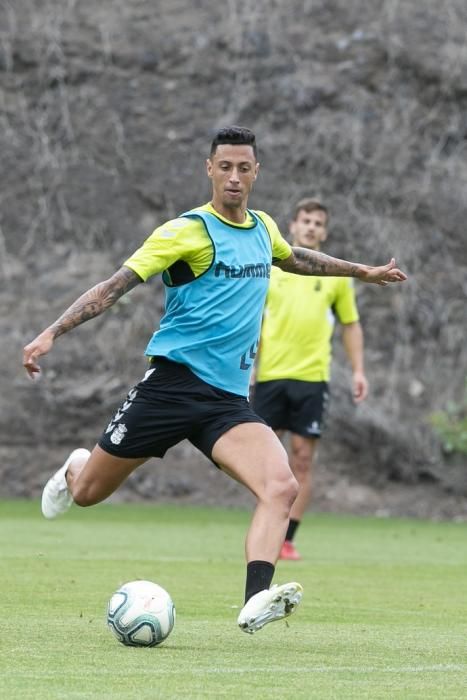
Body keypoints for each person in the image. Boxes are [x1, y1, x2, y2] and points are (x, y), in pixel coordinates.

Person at [23, 126, 407, 634]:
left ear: (255, 173)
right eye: (224, 166)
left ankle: (255, 599)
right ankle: (76, 467)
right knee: (91, 492)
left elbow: (296, 257)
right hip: (170, 387)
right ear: (209, 169)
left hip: (226, 401)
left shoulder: (263, 229)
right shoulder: (185, 231)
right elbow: (115, 286)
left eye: (243, 168)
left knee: (280, 485)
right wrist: (53, 331)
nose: (233, 177)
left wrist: (364, 272)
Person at [253, 198, 369, 561]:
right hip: (270, 376)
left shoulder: (334, 275)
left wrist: (359, 370)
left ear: (325, 231)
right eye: (306, 221)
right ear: (293, 225)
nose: (311, 228)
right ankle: (266, 526)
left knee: (302, 460)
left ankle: (287, 538)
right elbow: (251, 318)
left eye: (318, 223)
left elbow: (350, 324)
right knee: (266, 459)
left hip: (312, 379)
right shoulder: (272, 268)